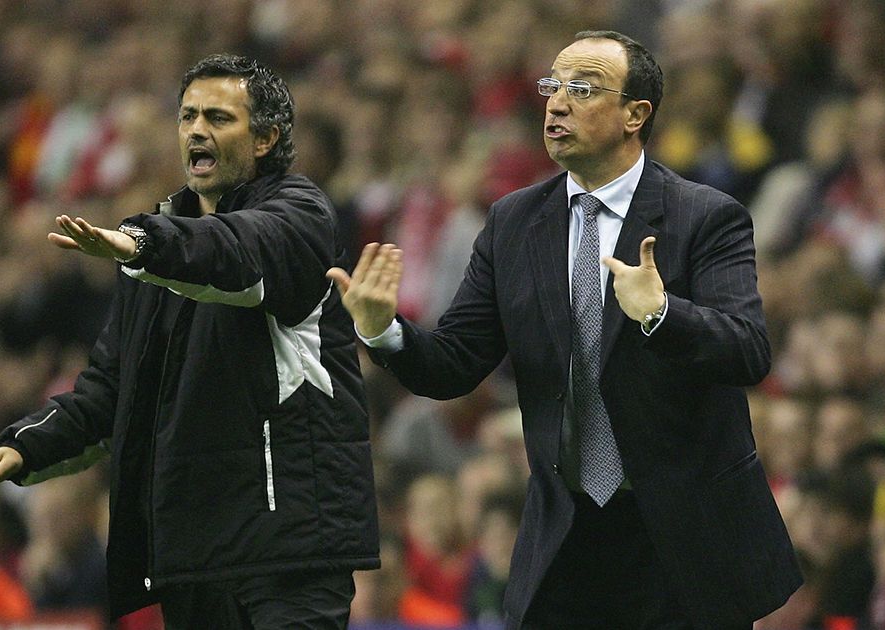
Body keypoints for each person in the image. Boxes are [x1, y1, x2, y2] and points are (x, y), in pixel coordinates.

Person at [328, 31, 802, 628]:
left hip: (683, 538)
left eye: (582, 89)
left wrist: (660, 313)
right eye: (553, 86)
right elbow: (455, 364)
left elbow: (748, 350)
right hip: (566, 532)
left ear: (636, 114)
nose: (556, 103)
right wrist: (384, 331)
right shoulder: (513, 222)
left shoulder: (706, 216)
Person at [0, 54, 379, 629]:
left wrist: (144, 246)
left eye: (219, 118)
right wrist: (27, 447)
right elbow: (110, 391)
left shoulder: (300, 217)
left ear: (268, 137)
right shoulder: (153, 250)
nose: (197, 129)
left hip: (287, 553)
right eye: (188, 116)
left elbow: (234, 253)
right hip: (193, 555)